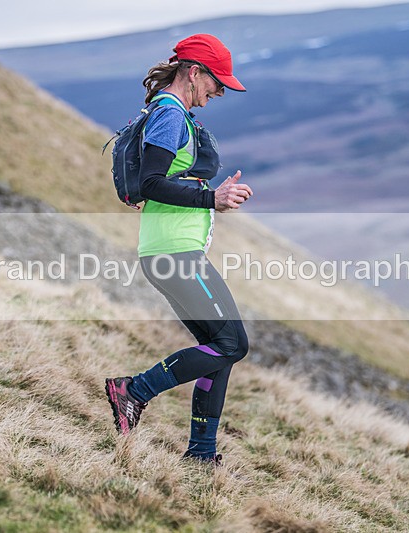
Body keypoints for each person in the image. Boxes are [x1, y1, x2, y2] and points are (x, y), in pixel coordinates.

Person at [105, 34, 253, 464]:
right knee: (233, 344)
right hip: (175, 255)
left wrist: (210, 191)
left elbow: (167, 179)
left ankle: (202, 454)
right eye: (216, 81)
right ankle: (133, 390)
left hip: (170, 253)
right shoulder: (170, 115)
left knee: (219, 348)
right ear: (193, 72)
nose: (220, 91)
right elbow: (152, 183)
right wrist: (212, 199)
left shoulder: (174, 114)